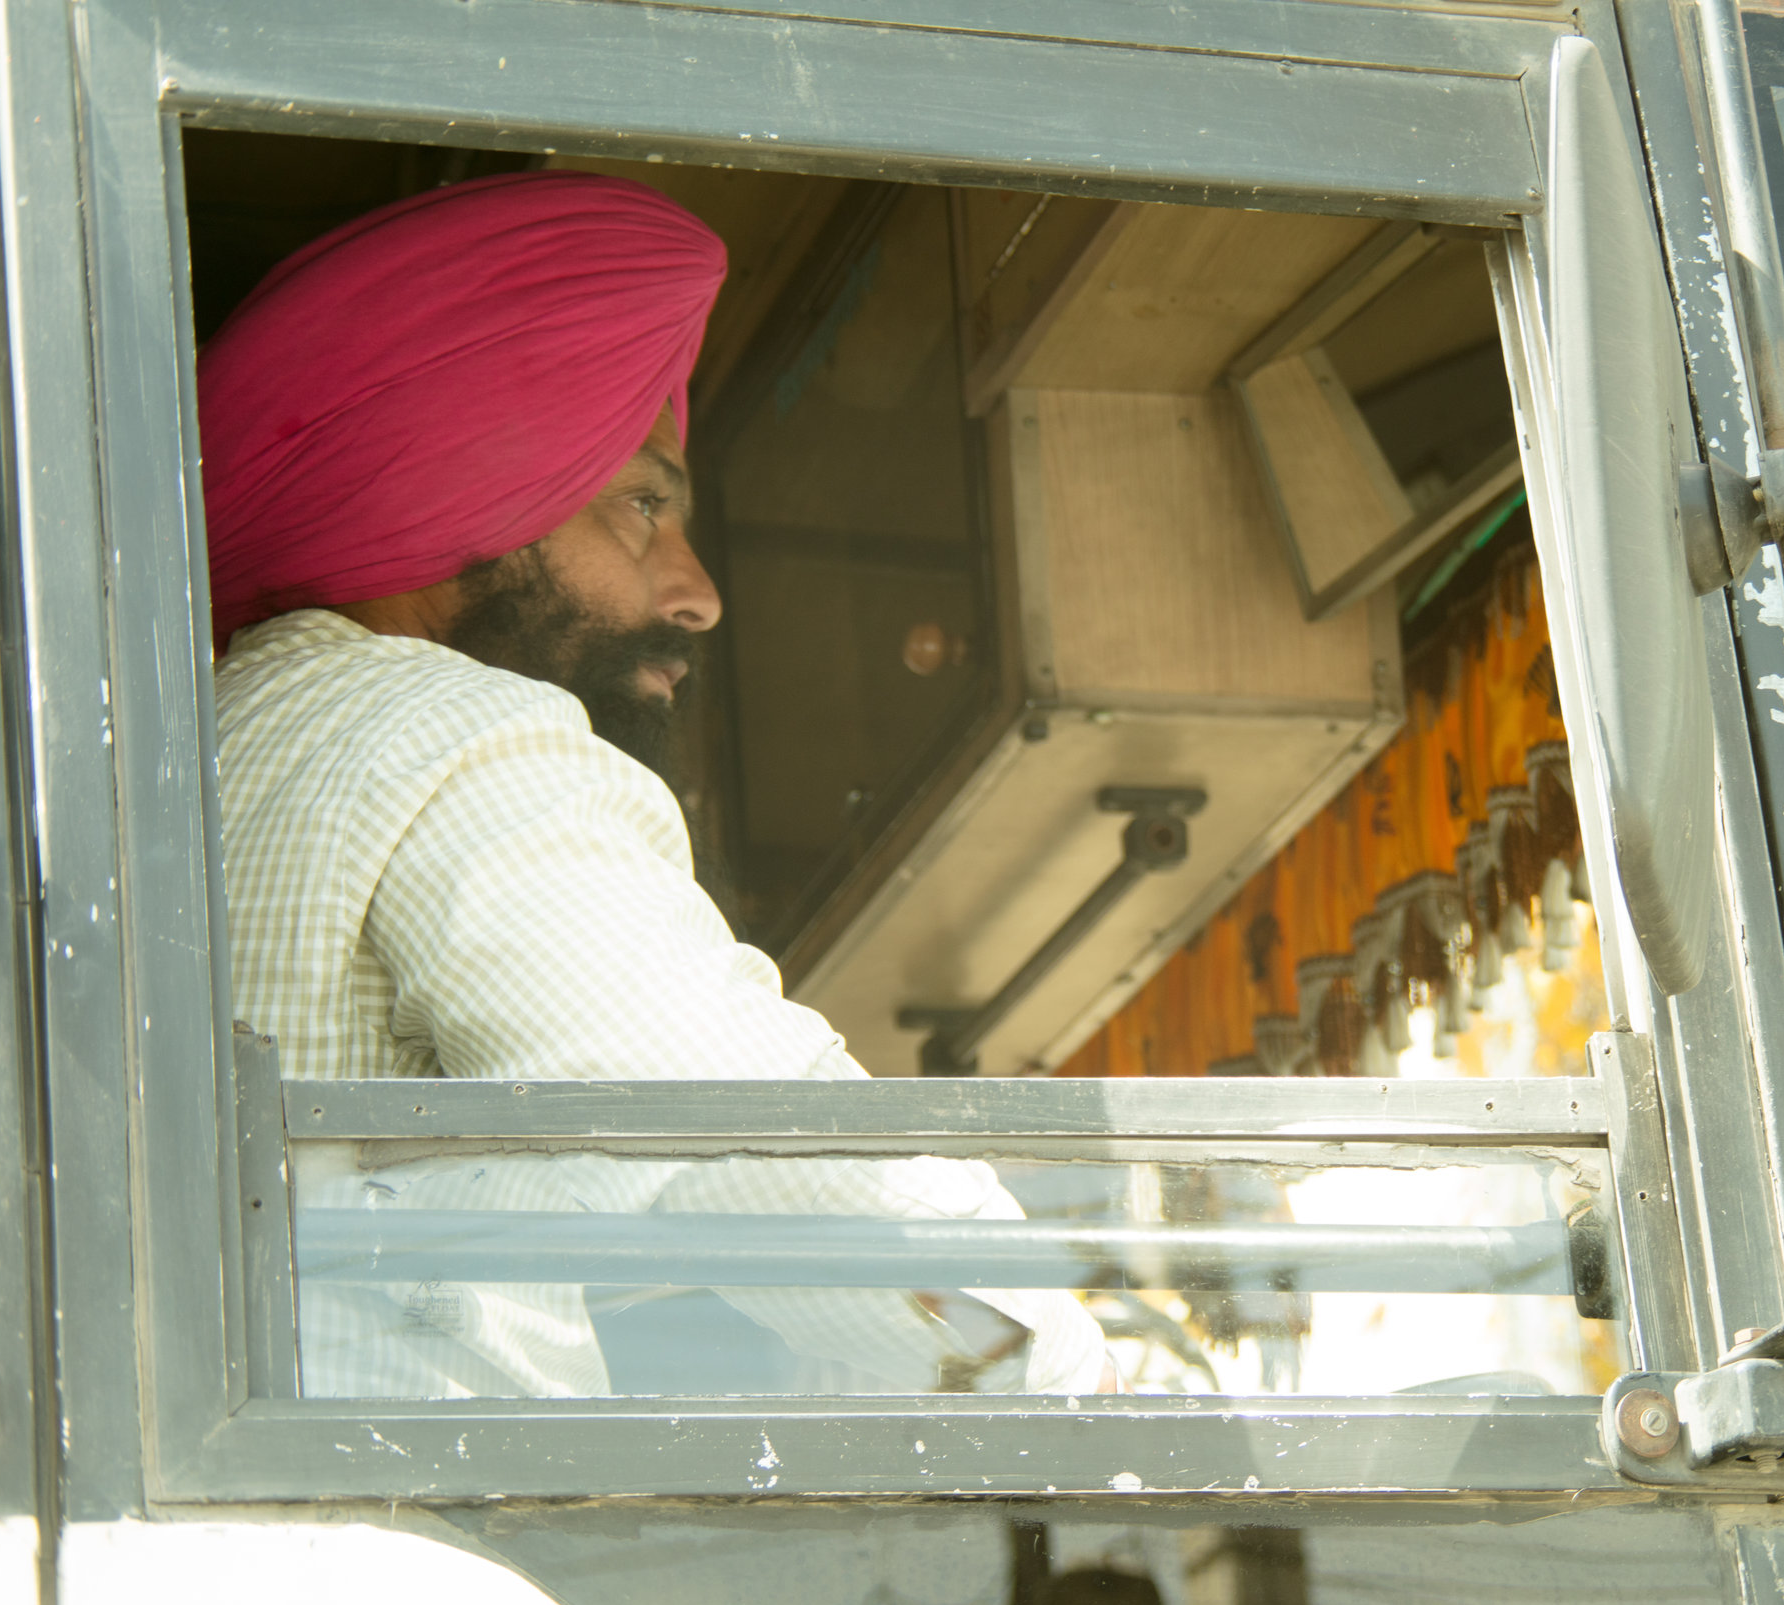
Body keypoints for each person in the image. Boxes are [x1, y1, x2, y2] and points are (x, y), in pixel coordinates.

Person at [200, 170, 1106, 1397]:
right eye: (641, 503)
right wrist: (1082, 1384)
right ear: (461, 487)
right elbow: (745, 1137)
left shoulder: (204, 744)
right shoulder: (453, 733)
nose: (696, 590)